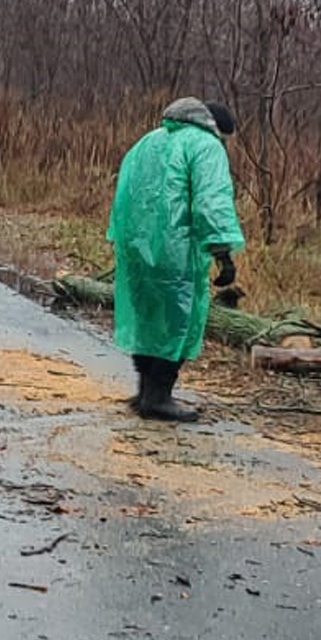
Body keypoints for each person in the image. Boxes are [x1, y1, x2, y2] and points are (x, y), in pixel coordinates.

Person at [107, 97, 244, 422]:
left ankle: (145, 391)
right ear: (216, 129)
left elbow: (125, 193)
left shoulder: (148, 141)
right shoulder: (206, 146)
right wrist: (222, 253)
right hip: (176, 251)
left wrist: (124, 242)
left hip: (135, 247)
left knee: (147, 319)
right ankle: (158, 397)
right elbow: (211, 202)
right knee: (178, 321)